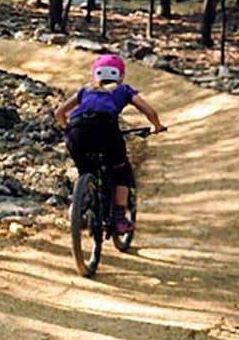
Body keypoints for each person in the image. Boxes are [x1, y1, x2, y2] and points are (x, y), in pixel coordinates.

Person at [53, 55, 166, 234]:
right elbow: (149, 111)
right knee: (121, 171)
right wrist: (156, 126)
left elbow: (59, 112)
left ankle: (77, 207)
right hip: (105, 129)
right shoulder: (123, 89)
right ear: (120, 75)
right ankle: (119, 218)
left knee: (86, 170)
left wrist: (68, 127)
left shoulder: (85, 90)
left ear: (94, 75)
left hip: (76, 131)